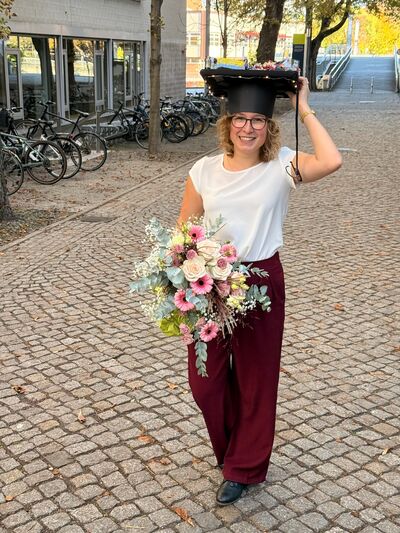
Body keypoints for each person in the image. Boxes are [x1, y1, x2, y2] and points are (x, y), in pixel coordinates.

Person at [177, 68, 342, 506]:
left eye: (258, 120)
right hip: (209, 280)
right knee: (205, 382)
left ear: (268, 126)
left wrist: (304, 108)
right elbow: (185, 229)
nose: (248, 127)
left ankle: (244, 467)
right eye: (240, 118)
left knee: (256, 378)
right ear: (227, 122)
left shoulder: (282, 166)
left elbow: (331, 160)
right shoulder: (204, 170)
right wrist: (185, 277)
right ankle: (232, 447)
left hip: (263, 278)